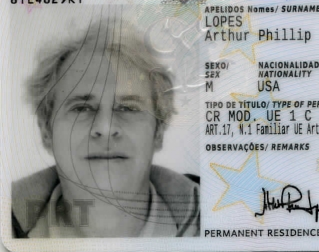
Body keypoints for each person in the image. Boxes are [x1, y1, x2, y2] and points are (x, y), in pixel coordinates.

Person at [11, 18, 200, 238]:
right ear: (46, 130)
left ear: (158, 130)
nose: (106, 128)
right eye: (82, 108)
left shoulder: (222, 214)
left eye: (128, 108)